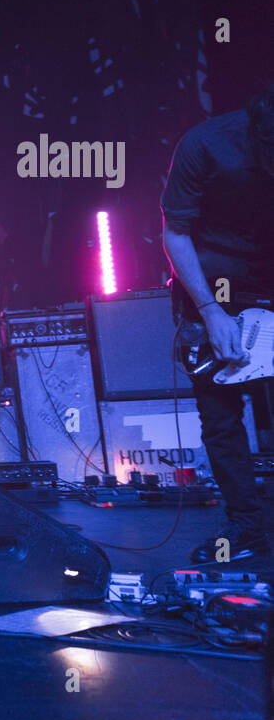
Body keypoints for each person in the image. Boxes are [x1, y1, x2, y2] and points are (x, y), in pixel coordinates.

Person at [161, 84, 274, 563]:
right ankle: (246, 528)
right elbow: (175, 230)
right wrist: (210, 310)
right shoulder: (205, 143)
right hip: (216, 284)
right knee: (222, 416)